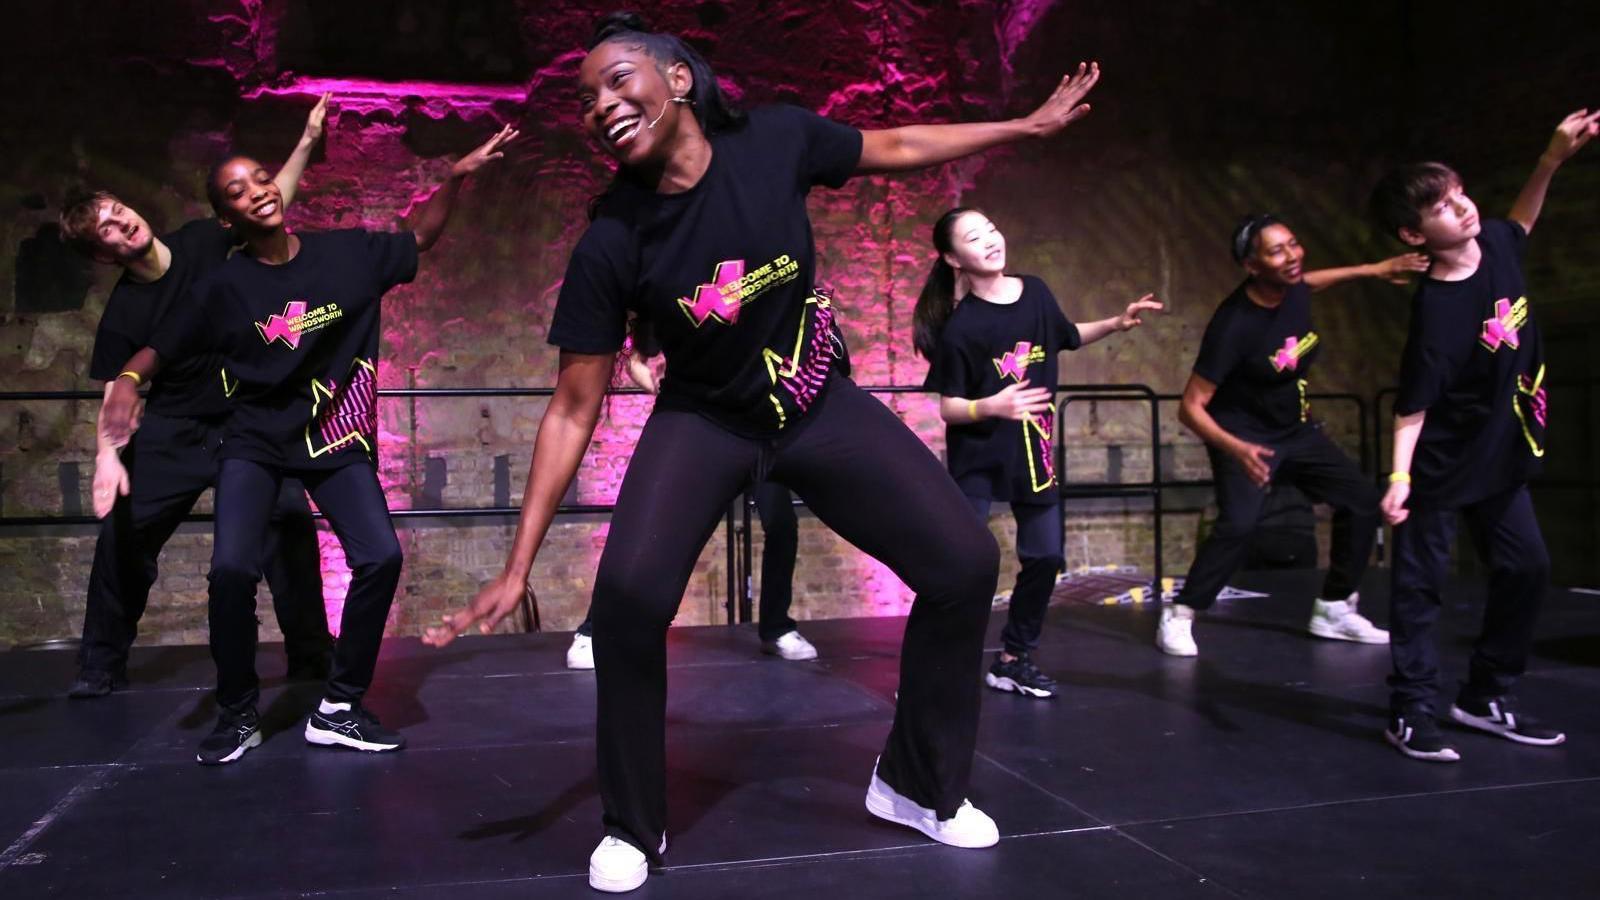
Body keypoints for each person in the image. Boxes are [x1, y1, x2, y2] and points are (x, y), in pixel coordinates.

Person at [424, 11, 1102, 893]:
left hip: (817, 401)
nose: (600, 104)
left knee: (965, 561)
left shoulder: (775, 141)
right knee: (627, 599)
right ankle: (634, 825)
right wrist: (519, 565)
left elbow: (898, 142)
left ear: (676, 79)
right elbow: (572, 405)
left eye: (618, 79)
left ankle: (915, 785)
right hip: (705, 421)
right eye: (585, 99)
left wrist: (1023, 125)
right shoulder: (613, 237)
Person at [102, 116, 518, 765]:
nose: (256, 191)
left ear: (278, 187)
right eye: (237, 191)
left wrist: (456, 177)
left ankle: (340, 706)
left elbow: (421, 237)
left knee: (379, 556)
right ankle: (238, 711)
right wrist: (129, 379)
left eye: (260, 179)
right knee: (232, 569)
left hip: (332, 438)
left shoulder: (346, 256)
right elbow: (162, 343)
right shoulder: (222, 287)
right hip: (255, 442)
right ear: (227, 219)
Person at [57, 96, 335, 699]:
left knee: (287, 525)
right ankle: (100, 664)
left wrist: (308, 139)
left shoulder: (206, 241)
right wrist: (108, 458)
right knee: (124, 541)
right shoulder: (124, 313)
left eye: (117, 210)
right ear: (104, 254)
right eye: (105, 227)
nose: (121, 221)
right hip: (177, 429)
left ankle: (312, 655)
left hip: (245, 420)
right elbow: (118, 389)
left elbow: (268, 200)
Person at [1371, 108, 1598, 762]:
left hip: (1500, 456)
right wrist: (1399, 478)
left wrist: (1551, 158)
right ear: (1415, 234)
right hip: (1438, 469)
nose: (1461, 208)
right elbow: (1412, 407)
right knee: (1420, 589)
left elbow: (1522, 218)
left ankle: (1483, 697)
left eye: (1457, 192)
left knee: (1528, 567)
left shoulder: (1497, 242)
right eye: (1441, 208)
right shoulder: (1437, 314)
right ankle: (1411, 711)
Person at [1155, 215, 1429, 657]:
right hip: (1242, 434)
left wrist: (1374, 269)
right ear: (1252, 265)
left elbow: (1312, 282)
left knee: (1361, 502)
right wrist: (1237, 448)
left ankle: (1335, 607)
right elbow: (1190, 408)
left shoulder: (1293, 287)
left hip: (1294, 430)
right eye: (1277, 251)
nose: (1293, 256)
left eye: (1294, 244)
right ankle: (1181, 612)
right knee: (1239, 525)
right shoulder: (1234, 325)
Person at [916, 207, 1161, 698]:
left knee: (1046, 556)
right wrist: (991, 404)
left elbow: (1067, 336)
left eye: (991, 228)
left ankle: (1013, 658)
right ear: (951, 258)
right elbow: (948, 408)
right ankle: (933, 667)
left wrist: (1116, 322)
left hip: (1035, 454)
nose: (989, 240)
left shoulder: (1038, 293)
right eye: (973, 237)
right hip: (979, 461)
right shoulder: (963, 327)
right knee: (963, 562)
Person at [565, 330, 821, 668]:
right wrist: (653, 381)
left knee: (782, 525)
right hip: (700, 428)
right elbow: (635, 354)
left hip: (757, 427)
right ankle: (593, 631)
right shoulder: (693, 297)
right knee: (651, 530)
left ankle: (776, 628)